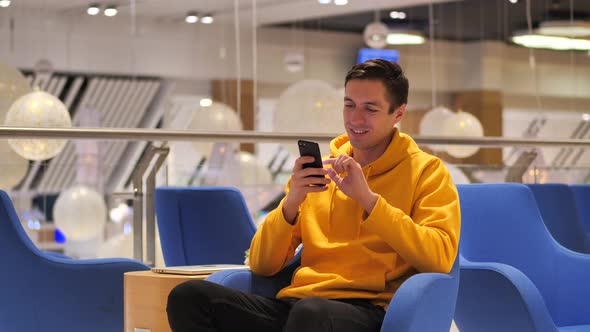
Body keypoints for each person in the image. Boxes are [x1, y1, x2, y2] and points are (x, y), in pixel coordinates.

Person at [166, 59, 461, 332]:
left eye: (370, 108)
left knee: (311, 315)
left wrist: (369, 201)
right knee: (189, 296)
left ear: (398, 113)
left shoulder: (427, 171)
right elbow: (262, 264)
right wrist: (292, 201)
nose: (355, 118)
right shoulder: (323, 171)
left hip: (369, 310)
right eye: (349, 105)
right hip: (299, 305)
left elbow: (439, 258)